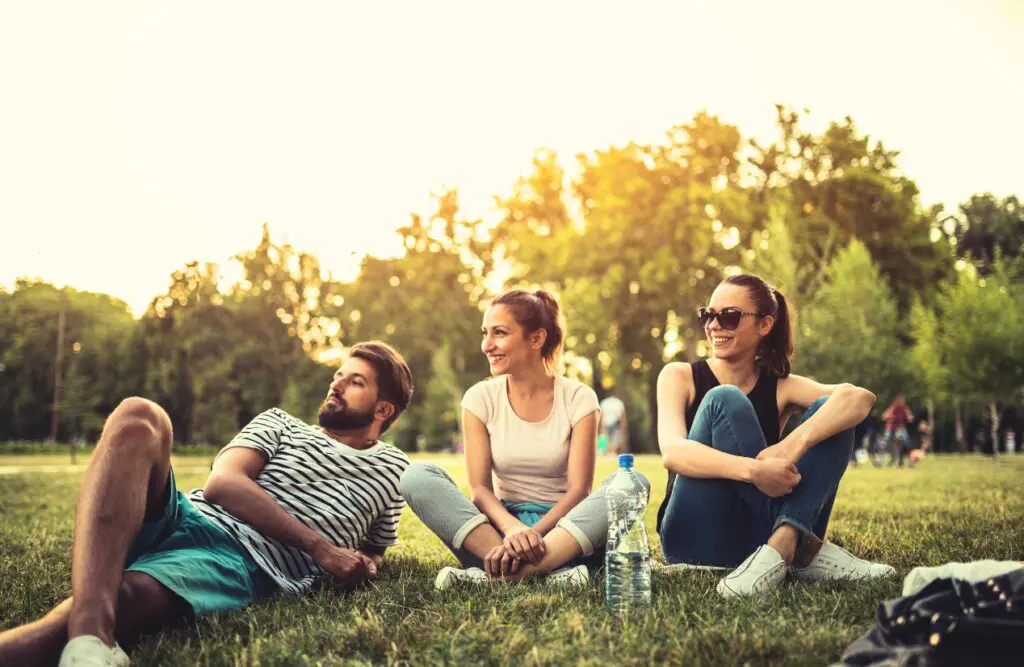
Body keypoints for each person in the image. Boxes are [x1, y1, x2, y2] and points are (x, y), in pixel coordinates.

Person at [0, 341, 414, 667]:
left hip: (240, 557)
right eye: (338, 375)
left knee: (121, 598)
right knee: (138, 414)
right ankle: (91, 639)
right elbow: (223, 485)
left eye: (355, 382)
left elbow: (373, 551)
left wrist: (363, 565)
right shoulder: (280, 423)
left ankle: (87, 640)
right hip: (186, 512)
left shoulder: (395, 470)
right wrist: (319, 547)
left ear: (383, 408)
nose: (336, 385)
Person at [655, 274, 895, 598]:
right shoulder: (679, 375)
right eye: (708, 315)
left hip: (759, 544)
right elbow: (673, 452)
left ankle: (783, 543)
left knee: (831, 410)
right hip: (694, 536)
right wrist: (754, 470)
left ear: (765, 324)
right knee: (724, 399)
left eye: (729, 316)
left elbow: (859, 398)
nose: (714, 325)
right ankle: (803, 549)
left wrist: (793, 444)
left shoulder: (781, 387)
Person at [401, 289, 648, 589]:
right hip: (497, 531)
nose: (487, 345)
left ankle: (503, 573)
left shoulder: (579, 398)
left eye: (500, 333)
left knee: (634, 482)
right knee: (416, 476)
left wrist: (535, 535)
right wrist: (513, 530)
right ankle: (552, 571)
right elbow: (480, 490)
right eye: (485, 333)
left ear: (537, 339)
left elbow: (578, 491)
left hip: (564, 530)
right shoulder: (479, 398)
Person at [882, 395, 914, 467]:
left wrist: (909, 417)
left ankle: (906, 461)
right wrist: (890, 417)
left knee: (904, 442)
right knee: (886, 442)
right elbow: (884, 416)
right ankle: (890, 459)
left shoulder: (904, 407)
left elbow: (909, 415)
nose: (901, 402)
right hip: (891, 427)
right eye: (899, 401)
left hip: (899, 427)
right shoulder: (893, 407)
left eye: (902, 401)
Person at [599, 389, 629, 455]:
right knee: (614, 440)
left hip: (606, 423)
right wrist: (624, 426)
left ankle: (602, 452)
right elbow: (622, 416)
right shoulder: (619, 402)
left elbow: (602, 415)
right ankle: (612, 452)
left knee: (604, 437)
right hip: (615, 424)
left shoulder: (604, 402)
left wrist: (601, 426)